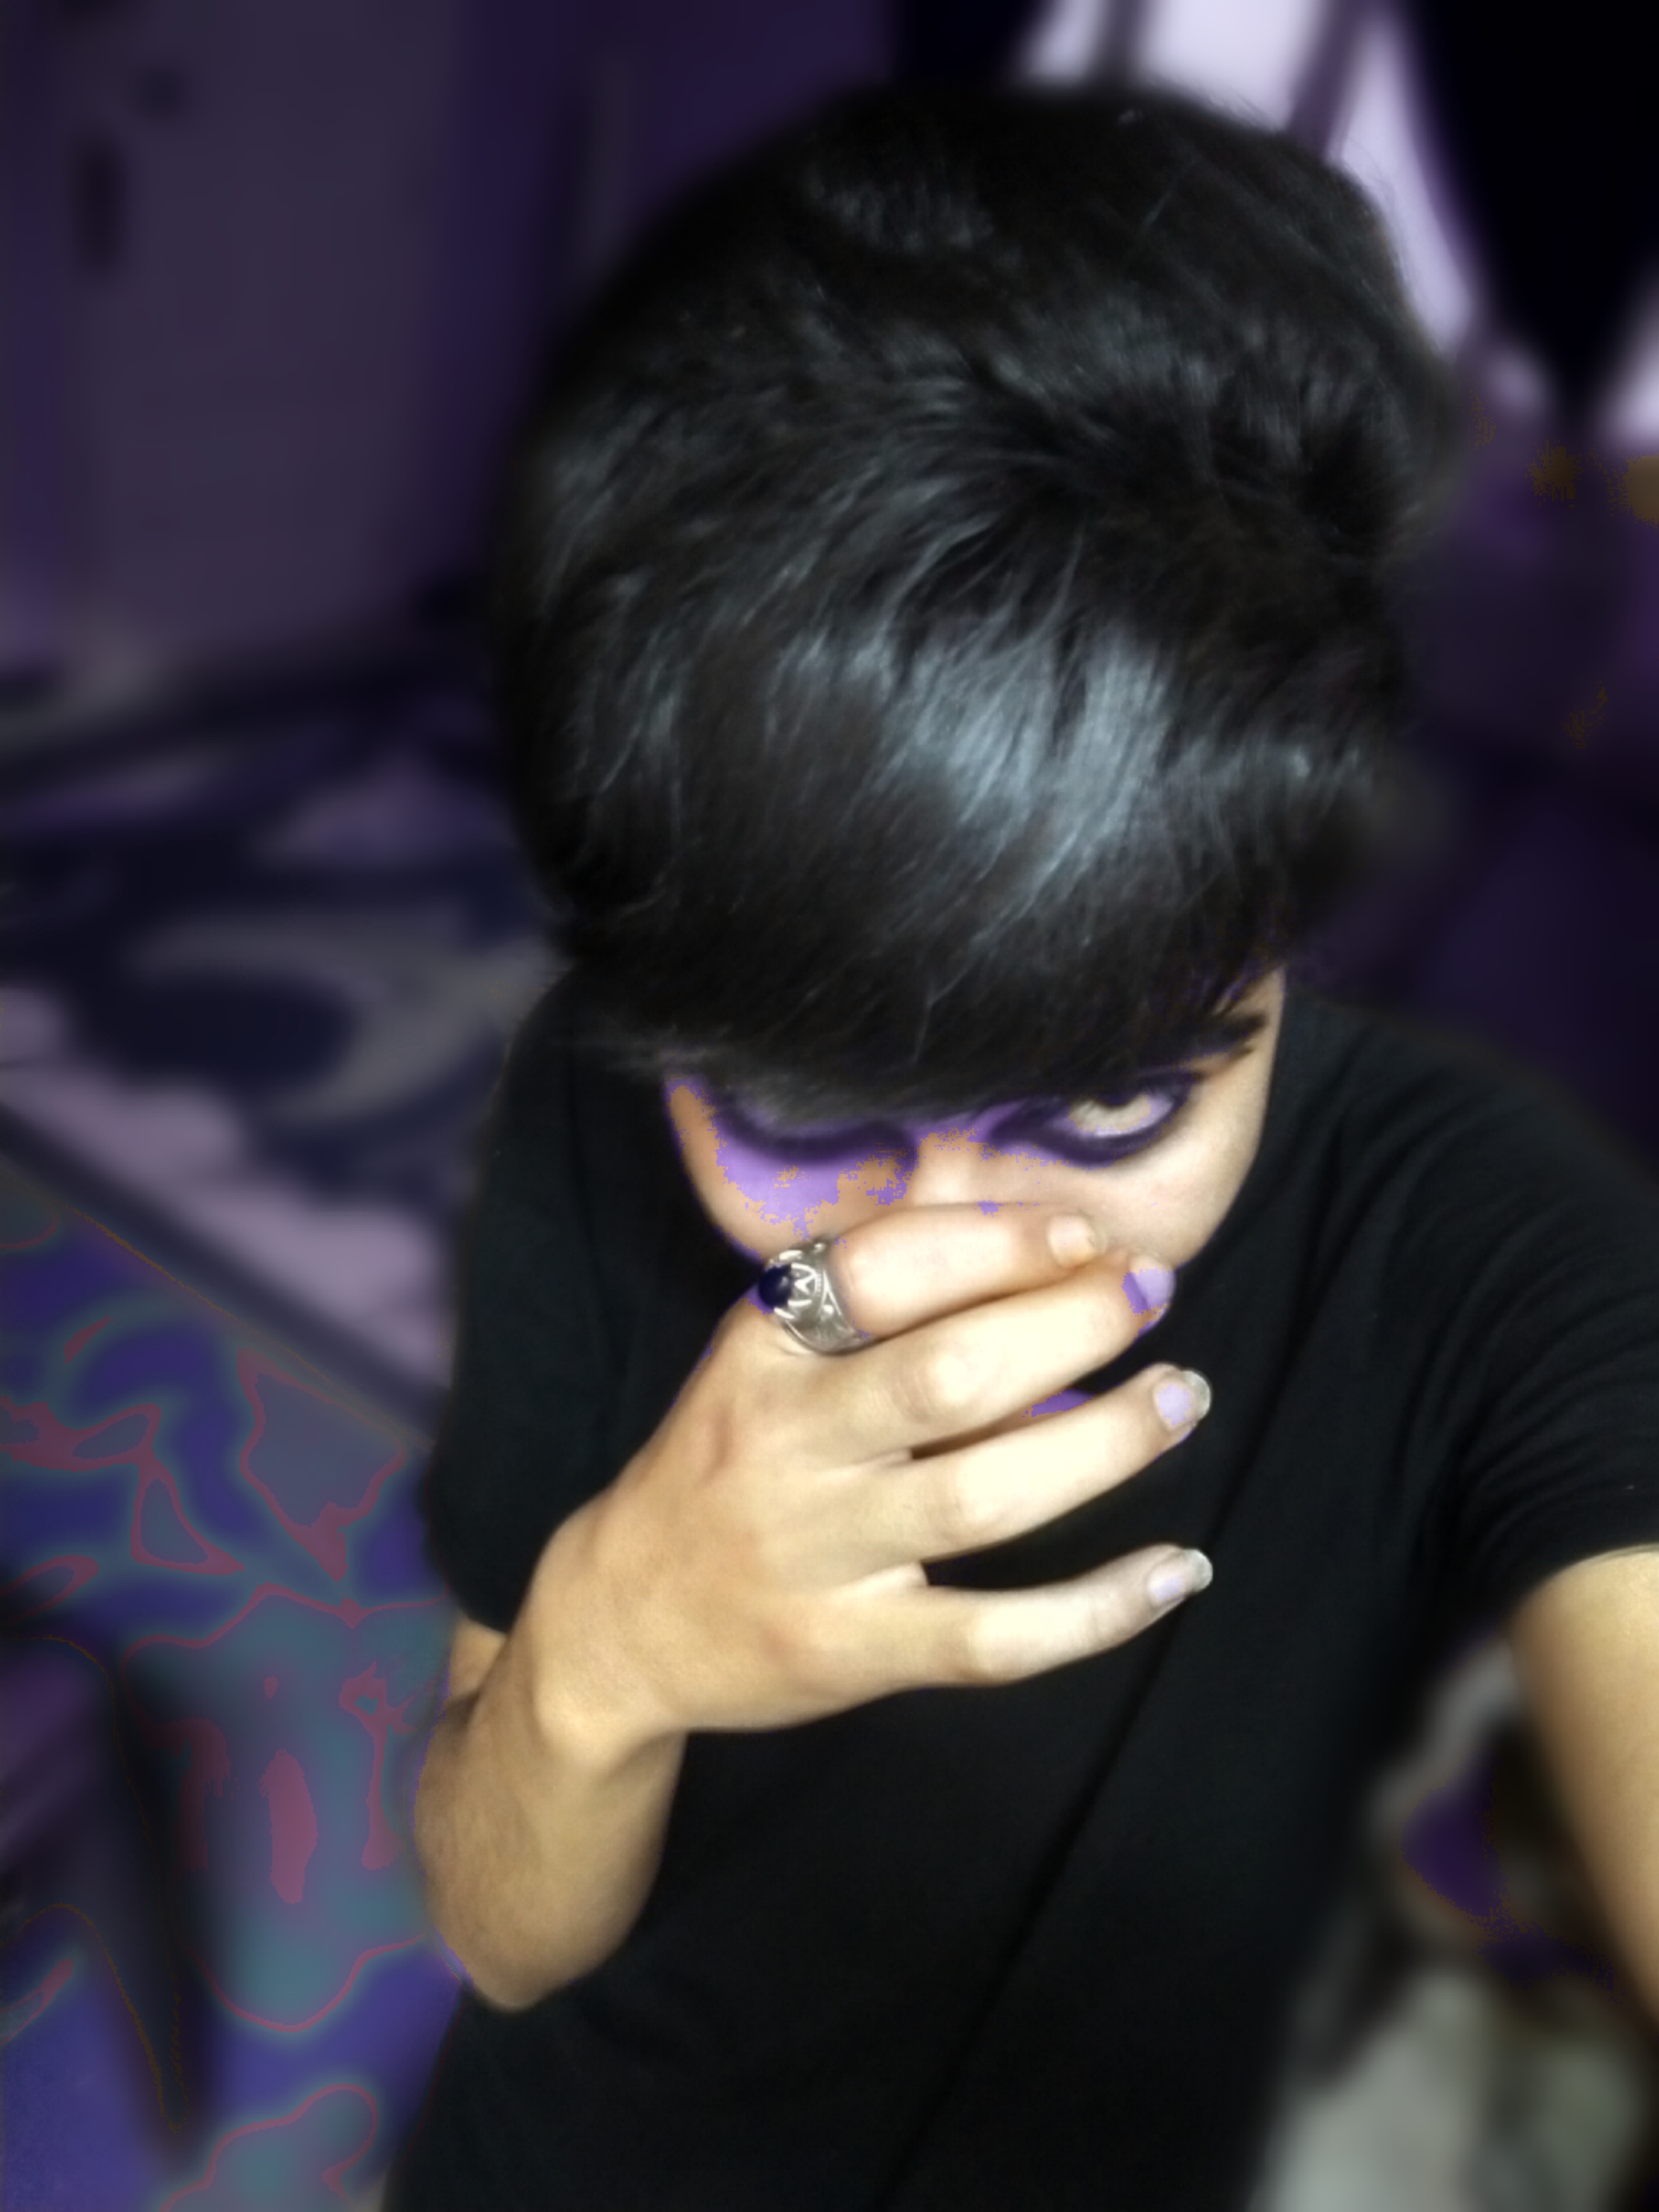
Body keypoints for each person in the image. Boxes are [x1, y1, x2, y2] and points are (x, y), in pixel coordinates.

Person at [384, 81, 1659, 2211]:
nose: (954, 1265)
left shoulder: (1489, 1246)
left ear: (1275, 944)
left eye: (1117, 1104)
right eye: (802, 1121)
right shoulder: (598, 1107)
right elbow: (504, 1941)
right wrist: (608, 1649)